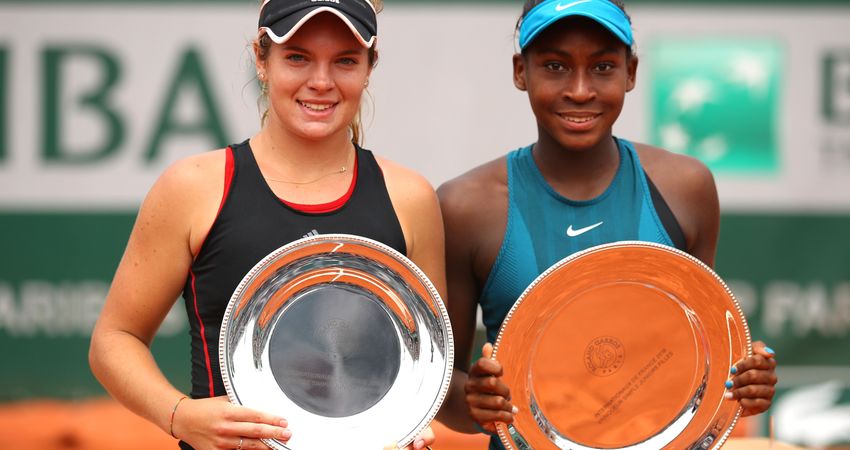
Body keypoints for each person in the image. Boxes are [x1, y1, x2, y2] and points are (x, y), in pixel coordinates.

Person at [89, 1, 441, 449]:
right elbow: (114, 339)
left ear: (370, 68)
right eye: (297, 57)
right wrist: (179, 416)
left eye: (345, 61)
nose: (321, 81)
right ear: (261, 59)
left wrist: (411, 422)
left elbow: (428, 363)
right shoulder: (193, 187)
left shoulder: (411, 197)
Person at [435, 0, 778, 447]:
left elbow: (703, 360)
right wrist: (480, 402)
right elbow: (446, 395)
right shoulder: (466, 206)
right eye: (555, 65)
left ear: (631, 72)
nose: (579, 90)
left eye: (603, 67)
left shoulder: (686, 188)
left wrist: (745, 380)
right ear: (521, 71)